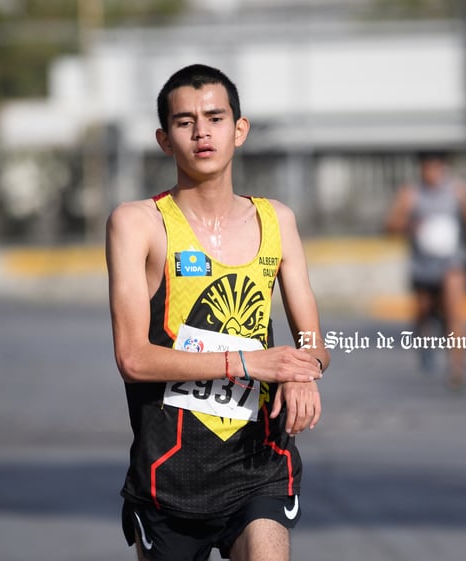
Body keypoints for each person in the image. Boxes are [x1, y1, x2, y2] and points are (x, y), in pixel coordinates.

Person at [106, 64, 329, 561]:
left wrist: (302, 371)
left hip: (258, 467)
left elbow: (312, 339)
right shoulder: (137, 224)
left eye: (215, 117)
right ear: (165, 140)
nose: (201, 131)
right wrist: (249, 363)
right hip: (169, 476)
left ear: (239, 129)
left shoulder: (278, 221)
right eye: (185, 122)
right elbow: (133, 358)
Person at [385, 151, 466, 390]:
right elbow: (390, 225)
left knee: (456, 314)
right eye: (425, 168)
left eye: (434, 168)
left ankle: (458, 368)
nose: (430, 173)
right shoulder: (410, 194)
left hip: (452, 262)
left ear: (443, 168)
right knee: (423, 311)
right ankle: (426, 341)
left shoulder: (459, 191)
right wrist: (409, 225)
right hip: (422, 265)